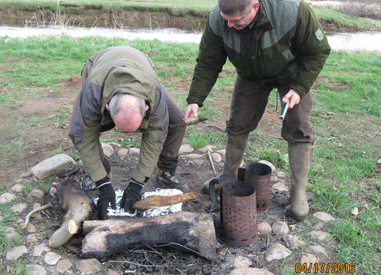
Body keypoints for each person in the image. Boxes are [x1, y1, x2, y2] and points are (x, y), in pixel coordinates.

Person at [184, 0, 331, 220]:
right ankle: (228, 175)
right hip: (250, 74)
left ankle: (298, 191)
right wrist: (195, 99)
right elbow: (208, 61)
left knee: (298, 127)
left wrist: (299, 88)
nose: (231, 26)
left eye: (237, 21)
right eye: (228, 21)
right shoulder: (218, 18)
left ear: (255, 6)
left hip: (292, 73)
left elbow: (318, 51)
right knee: (238, 122)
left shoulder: (292, 11)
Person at [69, 46, 188, 220]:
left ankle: (166, 173)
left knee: (177, 120)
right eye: (121, 130)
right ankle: (102, 168)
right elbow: (83, 136)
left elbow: (155, 138)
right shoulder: (92, 92)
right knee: (78, 131)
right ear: (108, 107)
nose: (126, 137)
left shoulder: (154, 95)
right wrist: (103, 184)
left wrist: (136, 185)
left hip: (143, 72)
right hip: (99, 71)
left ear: (146, 107)